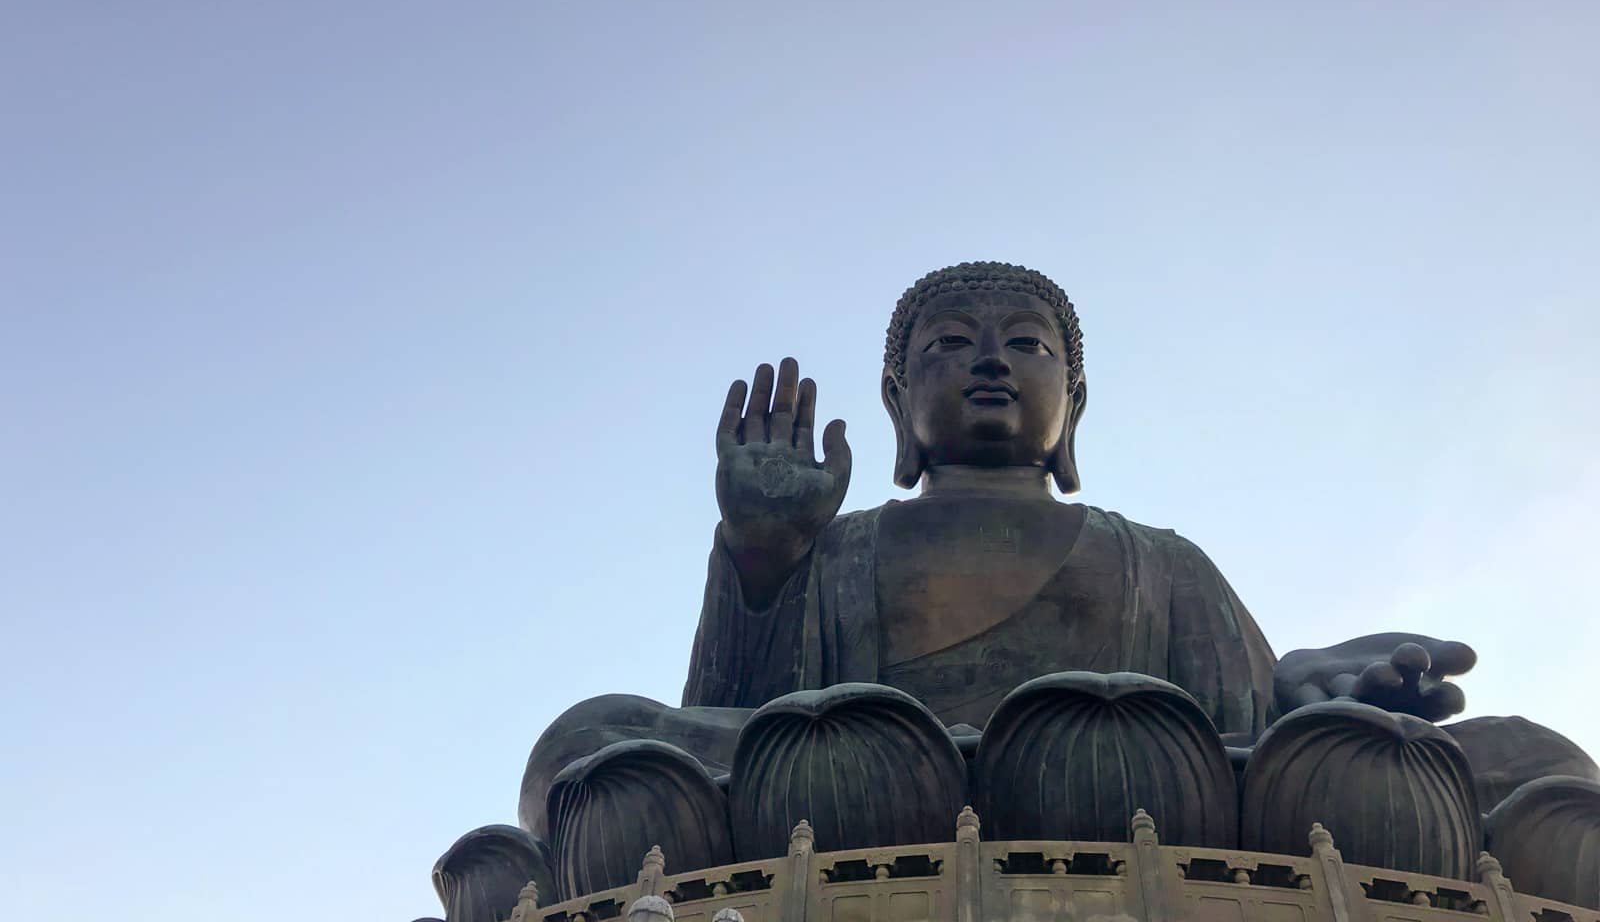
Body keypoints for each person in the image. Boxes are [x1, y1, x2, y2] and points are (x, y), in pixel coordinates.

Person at [520, 262, 1527, 840]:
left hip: (1126, 783)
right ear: (897, 405)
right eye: (949, 345)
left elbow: (1240, 739)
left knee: (1519, 761)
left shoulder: (1158, 560)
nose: (992, 360)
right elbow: (736, 726)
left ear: (1072, 404)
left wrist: (1305, 695)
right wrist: (761, 556)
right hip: (867, 790)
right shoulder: (842, 548)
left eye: (1027, 344)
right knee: (589, 742)